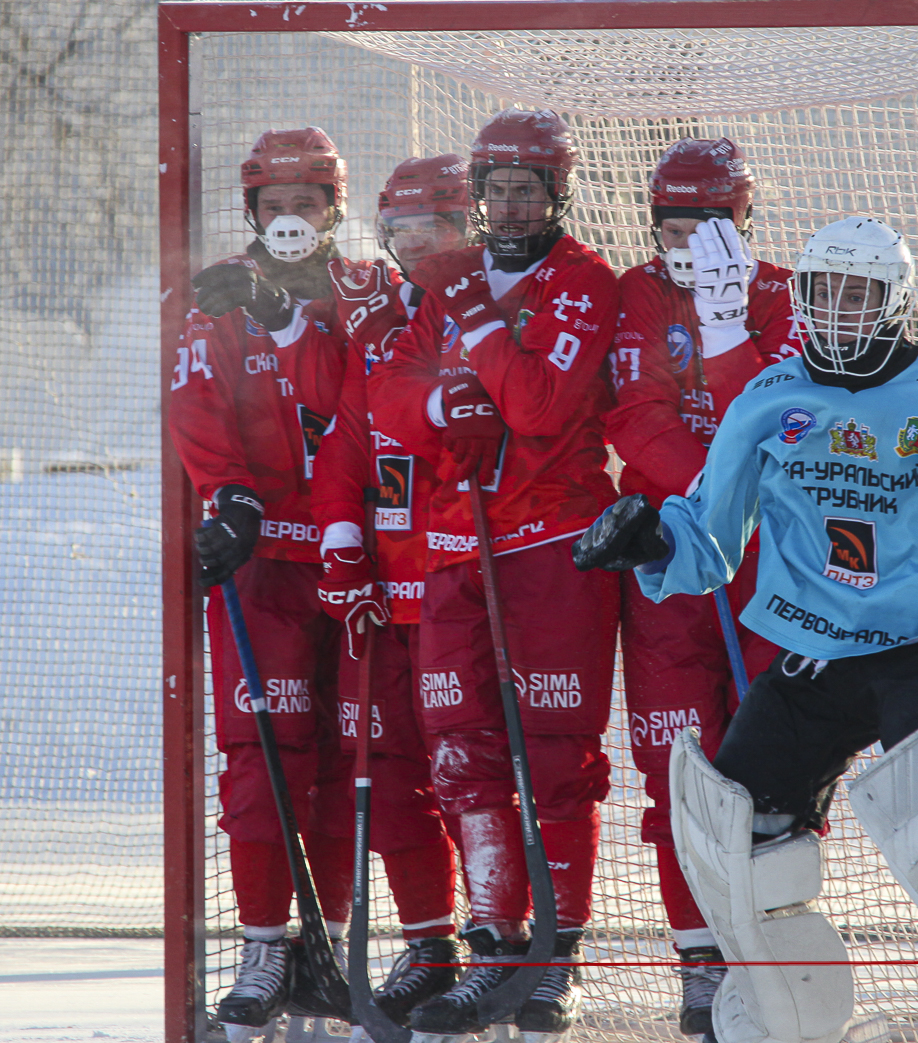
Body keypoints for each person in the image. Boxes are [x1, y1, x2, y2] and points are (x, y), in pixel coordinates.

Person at [574, 215, 918, 1043]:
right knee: (731, 821)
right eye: (824, 292)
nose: (839, 310)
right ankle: (780, 1017)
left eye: (859, 294)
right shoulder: (769, 398)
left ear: (895, 302)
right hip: (821, 647)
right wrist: (652, 539)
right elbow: (707, 531)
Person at [366, 108, 622, 1039]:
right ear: (475, 196)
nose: (511, 205)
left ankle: (556, 960)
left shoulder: (584, 281)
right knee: (463, 756)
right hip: (452, 548)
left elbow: (541, 406)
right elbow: (386, 397)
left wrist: (476, 331)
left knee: (555, 757)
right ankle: (493, 949)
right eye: (496, 188)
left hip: (553, 546)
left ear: (558, 192)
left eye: (529, 188)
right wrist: (444, 395)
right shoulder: (446, 279)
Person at [603, 136, 800, 1036]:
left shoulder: (787, 292)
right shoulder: (636, 293)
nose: (687, 240)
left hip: (773, 561)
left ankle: (778, 950)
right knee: (680, 768)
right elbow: (634, 411)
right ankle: (698, 958)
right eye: (672, 224)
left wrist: (737, 500)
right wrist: (704, 499)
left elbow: (786, 414)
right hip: (672, 557)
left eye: (707, 222)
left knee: (779, 771)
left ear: (742, 220)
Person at [169, 127, 358, 1034]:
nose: (291, 220)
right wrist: (231, 495)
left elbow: (362, 402)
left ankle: (336, 945)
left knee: (356, 759)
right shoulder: (214, 297)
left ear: (334, 210)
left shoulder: (368, 291)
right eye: (274, 207)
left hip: (360, 565)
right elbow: (194, 401)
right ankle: (263, 943)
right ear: (251, 213)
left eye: (307, 205)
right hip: (264, 566)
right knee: (263, 754)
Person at [309, 154, 477, 1024]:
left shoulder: (488, 316)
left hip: (457, 585)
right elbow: (342, 443)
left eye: (435, 230)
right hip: (383, 594)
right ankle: (429, 940)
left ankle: (504, 940)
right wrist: (342, 545)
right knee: (390, 770)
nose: (418, 249)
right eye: (404, 234)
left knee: (472, 773)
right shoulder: (377, 326)